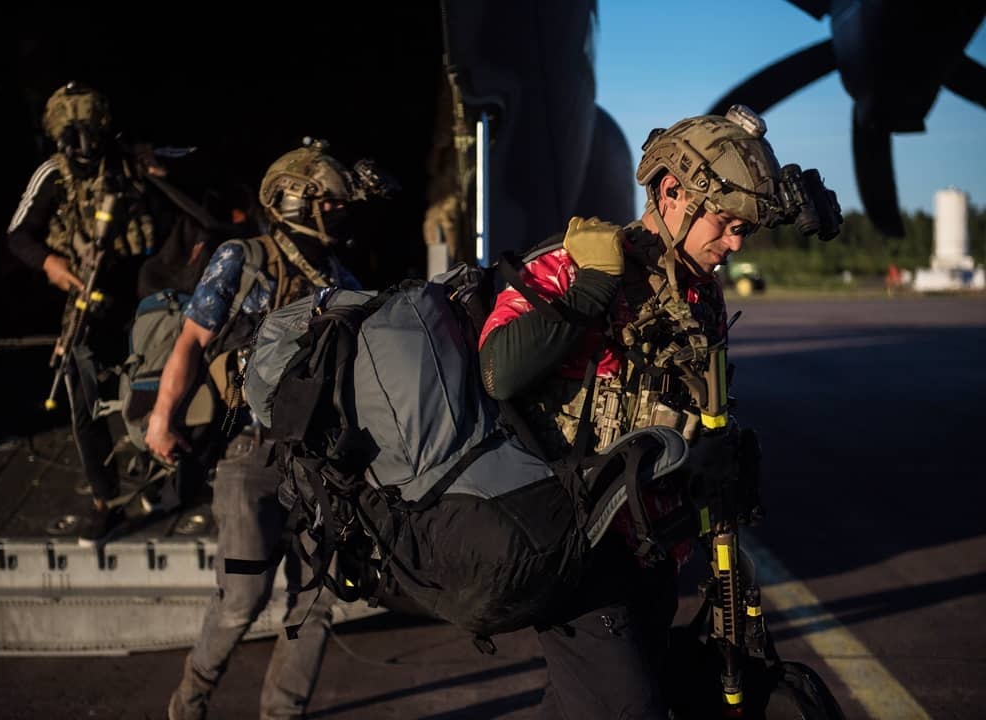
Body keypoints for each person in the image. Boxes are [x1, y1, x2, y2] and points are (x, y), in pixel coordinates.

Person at [477, 105, 840, 718]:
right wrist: (593, 287)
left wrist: (719, 457)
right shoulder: (577, 264)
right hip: (579, 551)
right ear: (672, 192)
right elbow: (498, 370)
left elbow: (708, 405)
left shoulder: (703, 296)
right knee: (627, 708)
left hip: (653, 553)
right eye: (726, 224)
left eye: (743, 231)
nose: (734, 244)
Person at [147, 138, 395, 720]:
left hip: (317, 461)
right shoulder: (244, 257)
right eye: (329, 205)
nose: (339, 215)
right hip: (249, 455)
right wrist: (163, 417)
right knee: (242, 596)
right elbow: (191, 341)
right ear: (294, 200)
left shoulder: (341, 275)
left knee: (314, 603)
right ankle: (190, 701)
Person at [6, 81, 173, 545]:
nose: (83, 151)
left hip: (145, 296)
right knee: (84, 405)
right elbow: (19, 236)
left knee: (155, 392)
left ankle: (158, 475)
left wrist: (155, 166)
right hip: (87, 297)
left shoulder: (131, 164)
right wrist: (51, 265)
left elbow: (185, 191)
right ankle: (107, 500)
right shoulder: (52, 175)